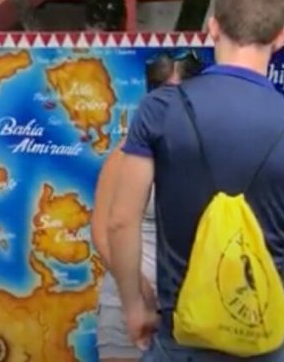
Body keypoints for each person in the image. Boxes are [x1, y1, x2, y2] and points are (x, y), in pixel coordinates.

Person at [105, 0, 284, 361]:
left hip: (185, 334)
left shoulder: (160, 111)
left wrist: (134, 305)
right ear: (281, 36)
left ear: (213, 27)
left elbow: (121, 220)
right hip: (275, 338)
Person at [92, 50, 203, 362]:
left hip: (195, 310)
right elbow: (103, 231)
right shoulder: (124, 154)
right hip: (126, 304)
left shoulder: (210, 153)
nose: (167, 106)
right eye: (160, 93)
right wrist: (137, 288)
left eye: (178, 96)